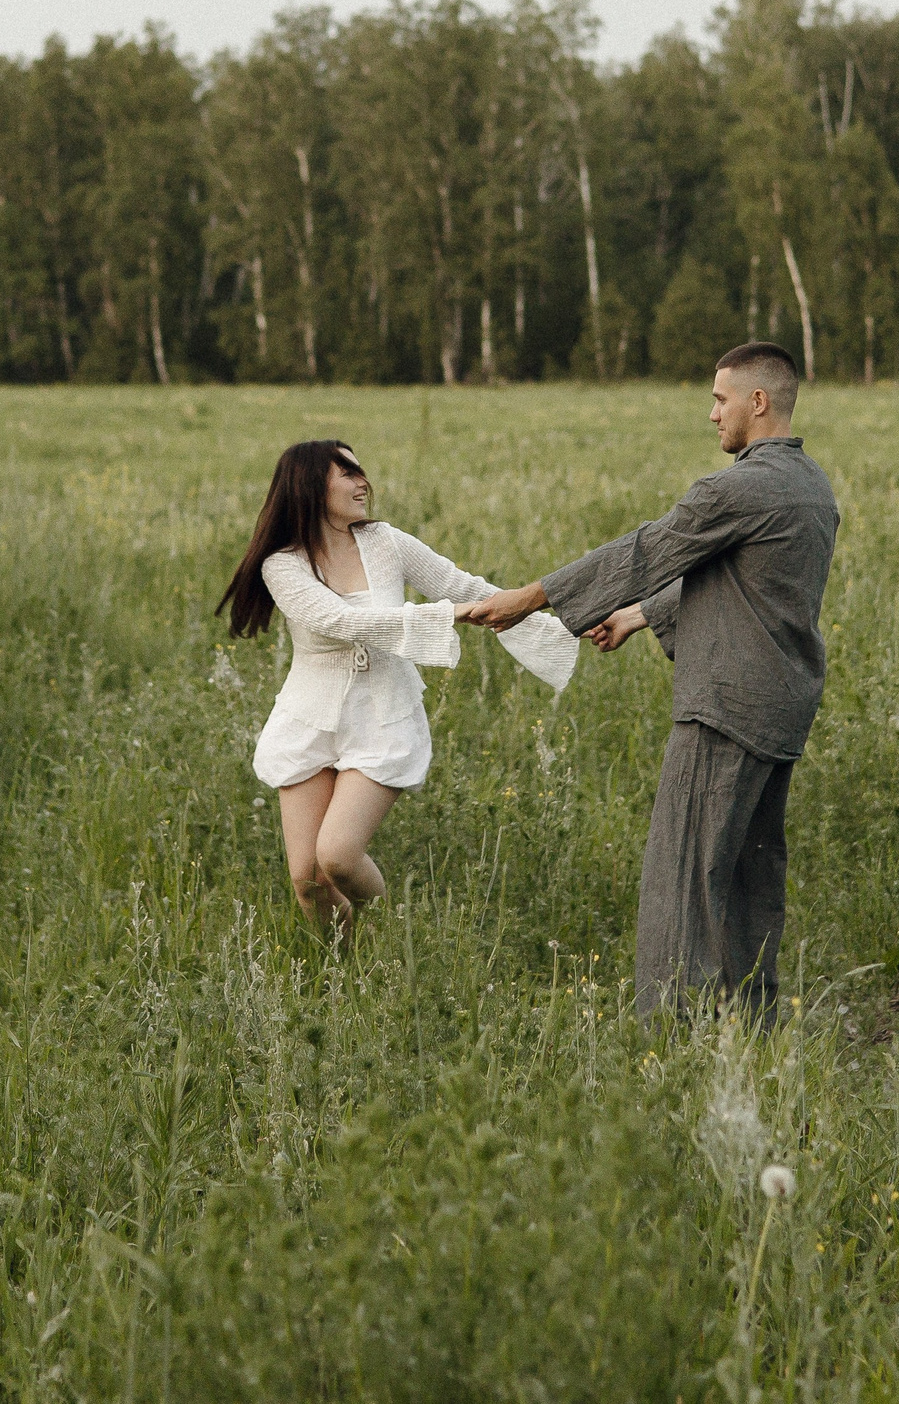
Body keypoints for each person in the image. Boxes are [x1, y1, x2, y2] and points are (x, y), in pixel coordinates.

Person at [463, 344, 839, 1018]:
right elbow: (745, 579)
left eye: (720, 399)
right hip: (779, 709)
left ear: (758, 402)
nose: (712, 414)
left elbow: (645, 551)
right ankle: (749, 1034)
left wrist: (528, 598)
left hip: (724, 708)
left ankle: (671, 1040)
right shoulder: (810, 484)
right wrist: (639, 616)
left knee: (682, 884)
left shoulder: (738, 489)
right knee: (748, 884)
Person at [217, 439, 576, 930]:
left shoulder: (386, 542)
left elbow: (467, 588)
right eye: (347, 473)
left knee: (338, 856)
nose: (363, 482)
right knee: (308, 880)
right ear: (310, 486)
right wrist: (447, 616)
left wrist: (568, 615)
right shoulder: (282, 564)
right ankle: (345, 967)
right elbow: (339, 620)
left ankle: (393, 940)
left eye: (360, 470)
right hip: (309, 718)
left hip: (383, 716)